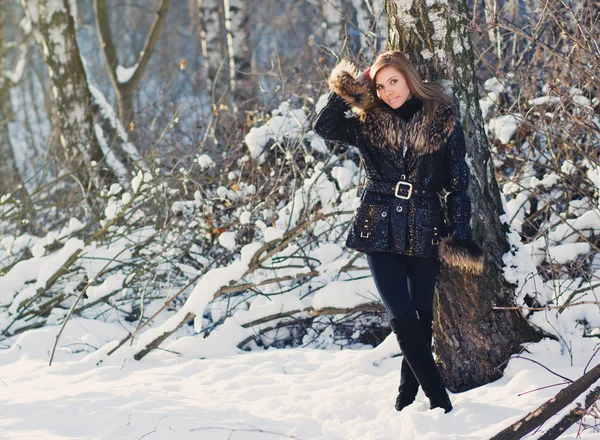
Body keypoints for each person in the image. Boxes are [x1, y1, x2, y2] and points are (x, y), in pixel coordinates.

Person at [312, 51, 484, 413]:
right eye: (380, 85)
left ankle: (405, 400)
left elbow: (457, 181)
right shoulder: (367, 121)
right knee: (401, 315)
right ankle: (441, 403)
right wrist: (351, 88)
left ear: (409, 78)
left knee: (422, 316)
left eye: (394, 81)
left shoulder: (443, 119)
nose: (389, 91)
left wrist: (461, 232)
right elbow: (324, 125)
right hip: (379, 223)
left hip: (425, 222)